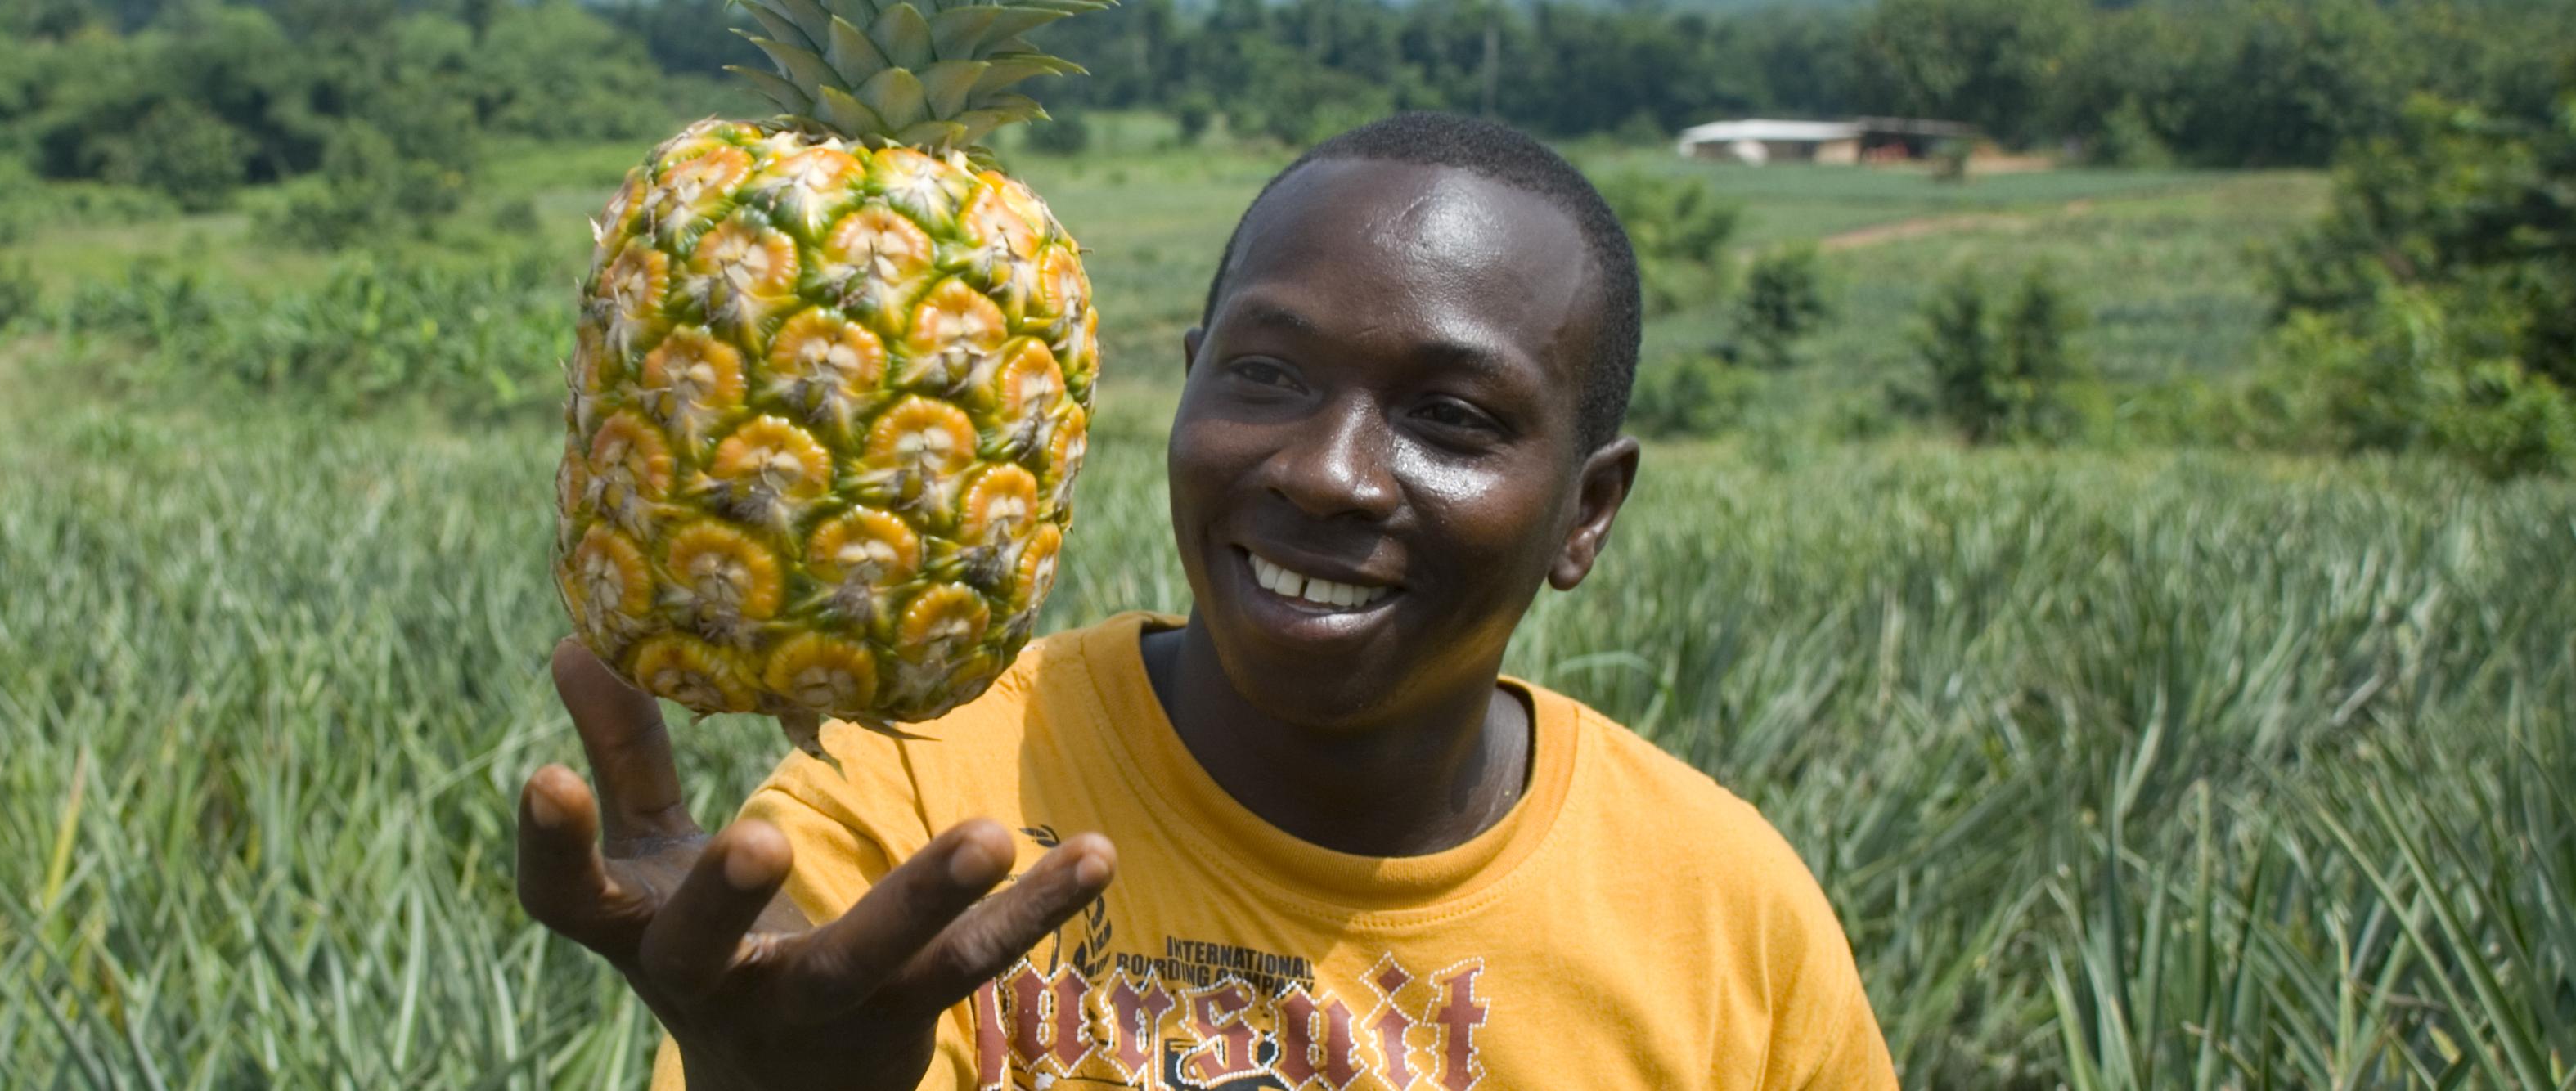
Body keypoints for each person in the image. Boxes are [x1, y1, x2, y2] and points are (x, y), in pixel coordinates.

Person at [517, 111, 1896, 1090]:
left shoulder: (1723, 917)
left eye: (1451, 417)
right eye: (1268, 375)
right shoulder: (898, 820)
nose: (1326, 472)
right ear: (1183, 383)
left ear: (1583, 512)